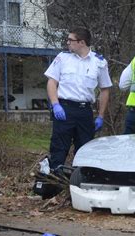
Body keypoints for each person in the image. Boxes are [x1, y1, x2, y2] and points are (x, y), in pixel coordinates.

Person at [44, 27, 112, 170]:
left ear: (81, 42)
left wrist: (100, 115)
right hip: (64, 109)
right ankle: (55, 179)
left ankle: (79, 182)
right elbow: (51, 82)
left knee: (84, 149)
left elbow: (105, 89)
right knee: (59, 148)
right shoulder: (63, 58)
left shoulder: (99, 62)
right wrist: (55, 104)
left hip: (84, 111)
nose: (67, 43)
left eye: (71, 40)